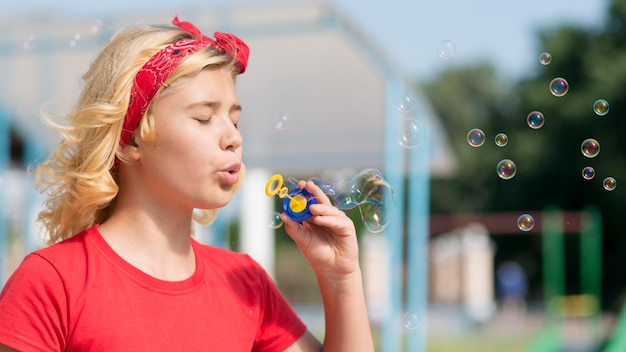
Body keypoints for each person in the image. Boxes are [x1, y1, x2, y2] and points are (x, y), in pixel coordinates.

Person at [0, 16, 374, 351]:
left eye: (234, 120)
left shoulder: (245, 282)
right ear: (130, 141)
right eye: (203, 118)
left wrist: (340, 276)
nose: (233, 138)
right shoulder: (53, 281)